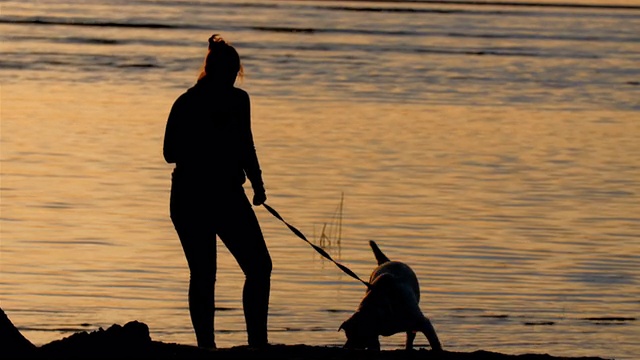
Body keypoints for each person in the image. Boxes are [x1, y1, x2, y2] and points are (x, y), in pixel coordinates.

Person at [163, 34, 272, 349]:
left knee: (256, 267)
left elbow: (245, 145)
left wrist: (259, 184)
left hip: (214, 195)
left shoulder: (237, 101)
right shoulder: (188, 102)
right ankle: (208, 347)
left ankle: (256, 343)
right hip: (197, 195)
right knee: (205, 274)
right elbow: (170, 152)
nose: (231, 78)